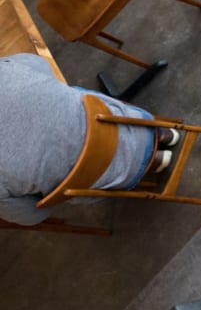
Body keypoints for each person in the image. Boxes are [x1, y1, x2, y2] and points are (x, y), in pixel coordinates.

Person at [0, 53, 178, 226]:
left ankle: (154, 161)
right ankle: (160, 133)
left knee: (50, 177)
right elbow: (40, 64)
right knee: (69, 93)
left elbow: (34, 215)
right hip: (133, 118)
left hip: (118, 179)